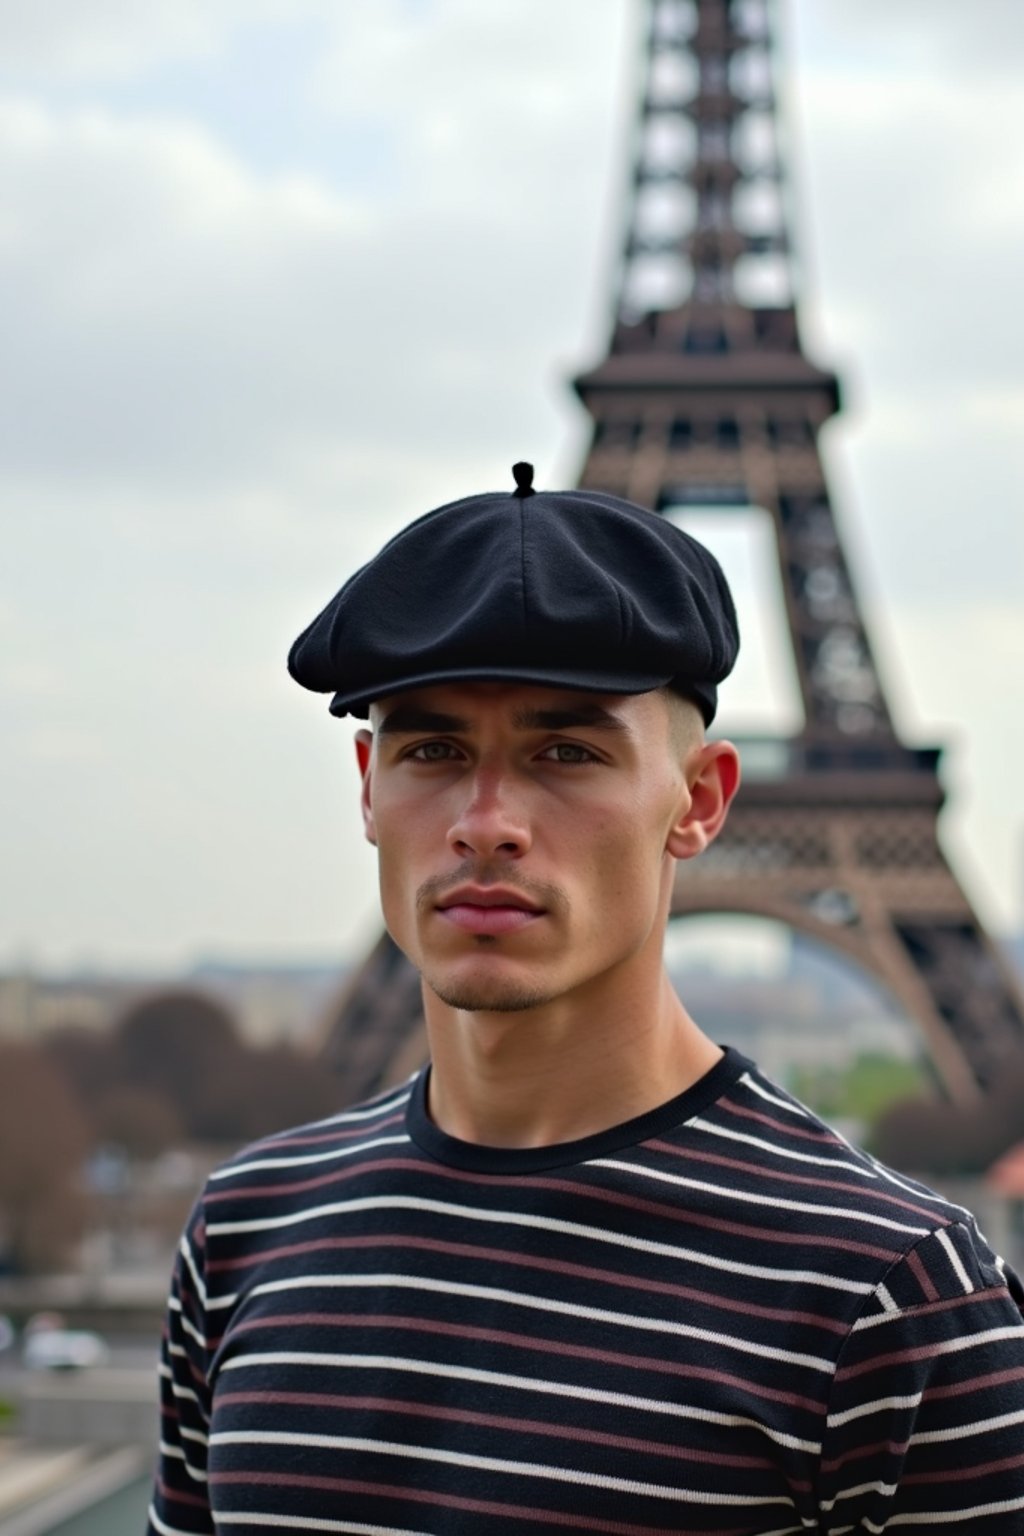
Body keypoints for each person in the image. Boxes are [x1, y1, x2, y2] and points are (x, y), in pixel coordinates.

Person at [149, 466, 1024, 1535]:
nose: (486, 821)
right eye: (433, 750)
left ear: (698, 800)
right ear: (367, 786)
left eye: (566, 751)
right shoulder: (244, 1229)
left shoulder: (894, 1299)